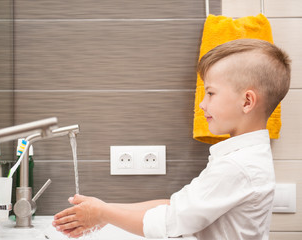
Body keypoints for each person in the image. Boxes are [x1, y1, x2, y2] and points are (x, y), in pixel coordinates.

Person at [52, 39, 291, 239]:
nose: (202, 103)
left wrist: (103, 214)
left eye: (210, 93)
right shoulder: (242, 157)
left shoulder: (238, 167)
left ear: (247, 101)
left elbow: (170, 222)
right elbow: (176, 206)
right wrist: (106, 211)